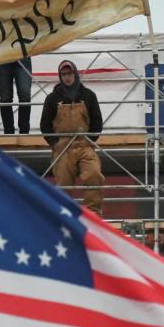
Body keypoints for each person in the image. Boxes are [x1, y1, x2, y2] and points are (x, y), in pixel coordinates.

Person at [39, 60, 105, 214]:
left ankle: (93, 213)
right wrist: (55, 143)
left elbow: (97, 121)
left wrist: (90, 139)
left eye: (69, 73)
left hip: (84, 145)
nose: (67, 77)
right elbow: (45, 125)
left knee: (94, 175)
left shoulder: (89, 95)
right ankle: (66, 216)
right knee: (63, 184)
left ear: (75, 73)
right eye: (63, 74)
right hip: (63, 148)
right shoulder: (52, 99)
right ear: (60, 76)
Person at [0, 0, 32, 134]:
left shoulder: (28, 2)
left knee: (24, 94)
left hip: (22, 54)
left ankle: (24, 132)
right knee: (5, 97)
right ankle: (8, 133)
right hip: (2, 56)